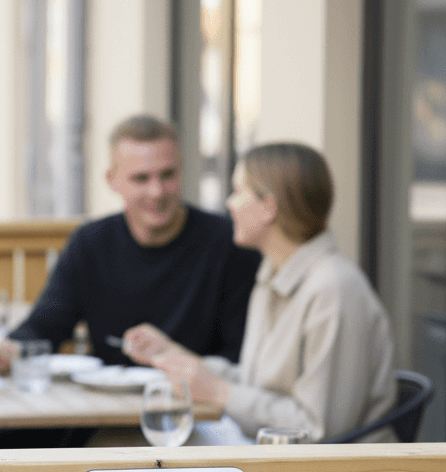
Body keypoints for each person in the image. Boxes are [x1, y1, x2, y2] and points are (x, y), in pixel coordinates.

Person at [0, 114, 260, 447]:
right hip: (104, 410)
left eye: (167, 175)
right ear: (112, 180)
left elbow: (240, 355)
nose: (157, 191)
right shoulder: (91, 242)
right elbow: (47, 323)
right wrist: (9, 349)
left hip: (197, 419)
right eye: (141, 178)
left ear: (183, 172)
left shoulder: (230, 244)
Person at [123, 142, 397, 443]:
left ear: (268, 207)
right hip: (273, 458)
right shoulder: (272, 276)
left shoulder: (335, 289)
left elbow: (318, 430)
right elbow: (255, 383)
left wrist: (219, 392)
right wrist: (170, 354)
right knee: (125, 444)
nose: (230, 204)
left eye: (239, 192)